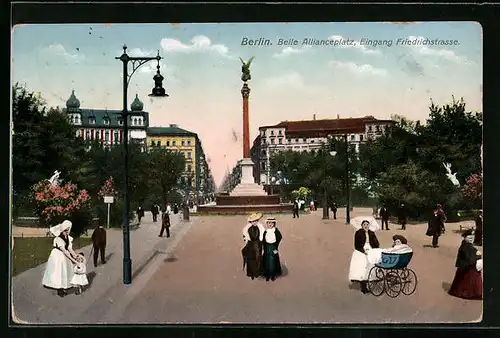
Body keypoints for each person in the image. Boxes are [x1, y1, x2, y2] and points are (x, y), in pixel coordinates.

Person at [42, 220, 79, 297]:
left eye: (68, 230)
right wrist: (73, 260)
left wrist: (75, 256)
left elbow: (69, 248)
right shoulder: (58, 239)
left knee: (65, 271)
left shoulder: (68, 238)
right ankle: (60, 290)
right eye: (65, 230)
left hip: (64, 256)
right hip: (57, 256)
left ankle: (64, 286)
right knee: (58, 271)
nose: (67, 232)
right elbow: (65, 251)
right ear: (62, 230)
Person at [448, 229, 483, 300]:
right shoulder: (465, 246)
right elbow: (468, 258)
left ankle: (472, 292)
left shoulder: (468, 245)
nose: (471, 238)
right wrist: (477, 256)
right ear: (465, 237)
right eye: (469, 236)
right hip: (466, 267)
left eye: (473, 236)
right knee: (470, 279)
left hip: (467, 266)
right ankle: (471, 293)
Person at [348, 219, 380, 294]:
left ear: (369, 225)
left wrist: (376, 249)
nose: (366, 226)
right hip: (361, 250)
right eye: (364, 225)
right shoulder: (358, 233)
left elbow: (376, 243)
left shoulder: (371, 233)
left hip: (370, 248)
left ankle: (372, 278)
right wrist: (363, 251)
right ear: (362, 226)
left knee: (372, 264)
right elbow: (356, 245)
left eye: (367, 224)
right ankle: (363, 286)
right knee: (362, 267)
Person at [242, 213, 265, 280]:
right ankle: (251, 273)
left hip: (258, 244)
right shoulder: (248, 229)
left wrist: (261, 242)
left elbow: (262, 236)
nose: (255, 222)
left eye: (256, 221)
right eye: (253, 221)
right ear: (250, 222)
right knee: (250, 259)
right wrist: (245, 239)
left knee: (258, 258)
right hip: (250, 244)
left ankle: (257, 273)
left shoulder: (260, 228)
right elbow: (245, 236)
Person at [262, 217, 283, 281]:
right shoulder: (266, 231)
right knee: (266, 260)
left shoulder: (276, 231)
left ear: (274, 224)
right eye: (268, 223)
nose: (270, 224)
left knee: (273, 260)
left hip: (274, 247)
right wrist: (264, 246)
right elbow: (263, 240)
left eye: (271, 223)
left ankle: (273, 274)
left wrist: (276, 245)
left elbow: (279, 237)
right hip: (267, 247)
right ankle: (267, 274)